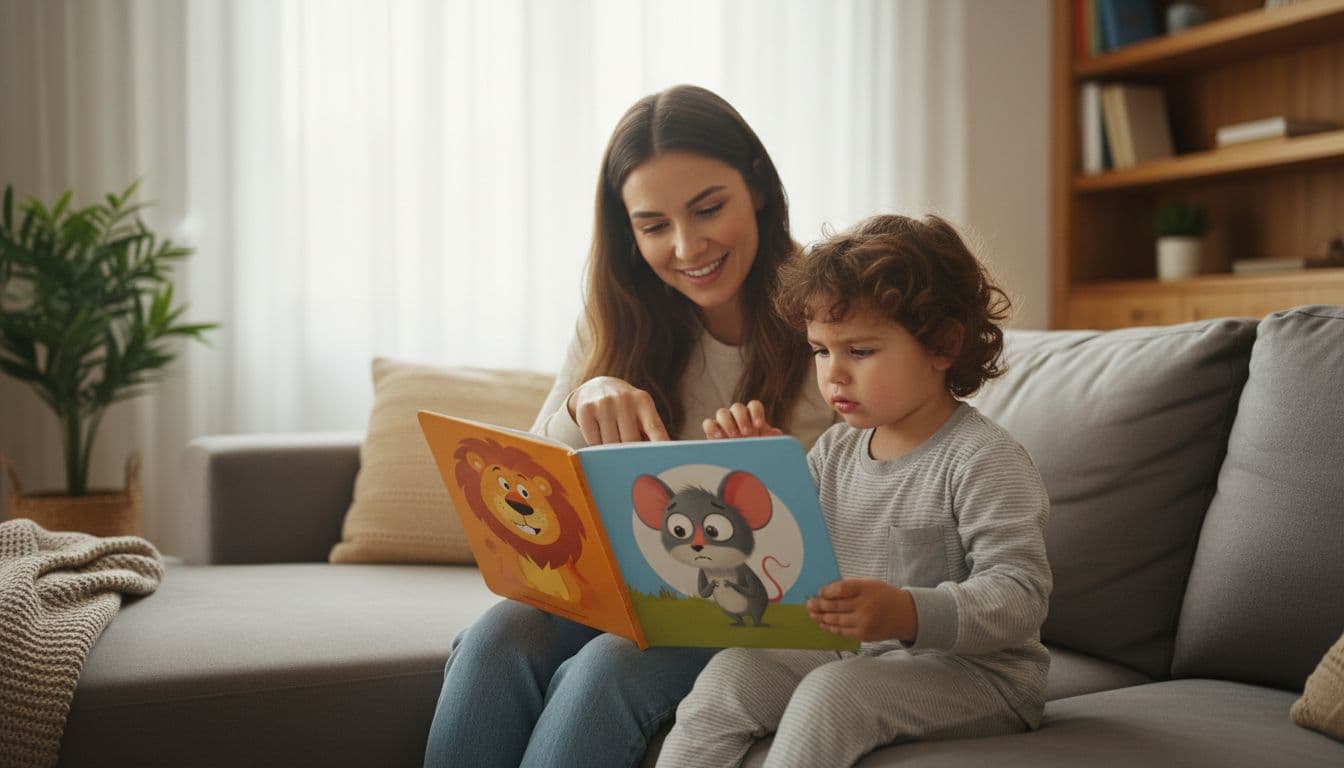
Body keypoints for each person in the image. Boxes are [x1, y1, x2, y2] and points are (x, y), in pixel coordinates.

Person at [422, 84, 836, 768]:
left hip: (761, 606)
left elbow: (887, 489)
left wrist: (783, 473)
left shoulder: (829, 310)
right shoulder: (620, 311)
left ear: (757, 186)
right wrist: (586, 396)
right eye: (653, 226)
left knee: (604, 670)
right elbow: (531, 495)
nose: (686, 246)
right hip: (633, 587)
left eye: (709, 209)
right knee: (498, 638)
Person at [657, 213, 1053, 768]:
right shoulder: (835, 450)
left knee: (834, 694)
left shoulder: (985, 459)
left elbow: (1021, 595)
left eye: (859, 352)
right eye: (821, 351)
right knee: (730, 673)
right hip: (856, 652)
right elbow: (792, 557)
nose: (833, 375)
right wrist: (768, 475)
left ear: (942, 345)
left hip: (978, 674)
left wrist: (908, 613)